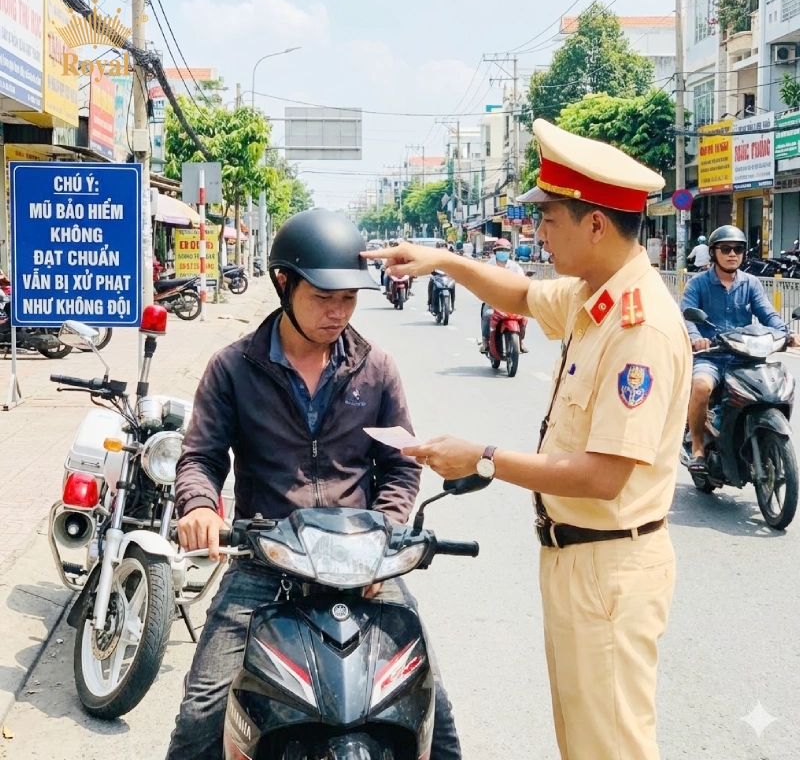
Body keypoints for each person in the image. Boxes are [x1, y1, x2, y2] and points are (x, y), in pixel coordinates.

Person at [364, 118, 692, 760]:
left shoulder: (639, 328)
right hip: (577, 561)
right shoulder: (595, 293)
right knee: (584, 745)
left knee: (613, 749)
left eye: (550, 218)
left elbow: (604, 475)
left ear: (595, 224)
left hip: (610, 568)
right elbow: (519, 292)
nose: (539, 230)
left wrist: (483, 458)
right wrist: (444, 261)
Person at [167, 209, 462, 760]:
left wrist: (387, 538)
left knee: (432, 709)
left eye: (348, 299)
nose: (337, 313)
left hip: (364, 565)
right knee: (200, 712)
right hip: (264, 561)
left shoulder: (375, 368)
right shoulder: (232, 368)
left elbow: (400, 466)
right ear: (284, 283)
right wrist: (201, 506)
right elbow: (201, 457)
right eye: (324, 298)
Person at [681, 224, 799, 473]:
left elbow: (768, 315)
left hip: (745, 356)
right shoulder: (698, 284)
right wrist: (696, 338)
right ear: (714, 253)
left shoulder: (751, 284)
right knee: (701, 386)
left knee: (772, 387)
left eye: (739, 249)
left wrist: (788, 335)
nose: (733, 254)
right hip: (710, 356)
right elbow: (688, 318)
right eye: (726, 249)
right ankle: (698, 449)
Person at [480, 238, 528, 353]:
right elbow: (481, 280)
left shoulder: (515, 267)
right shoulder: (488, 266)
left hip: (510, 301)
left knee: (524, 318)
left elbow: (523, 281)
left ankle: (520, 340)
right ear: (495, 252)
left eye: (505, 250)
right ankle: (485, 341)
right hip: (492, 301)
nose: (502, 252)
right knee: (487, 315)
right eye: (500, 250)